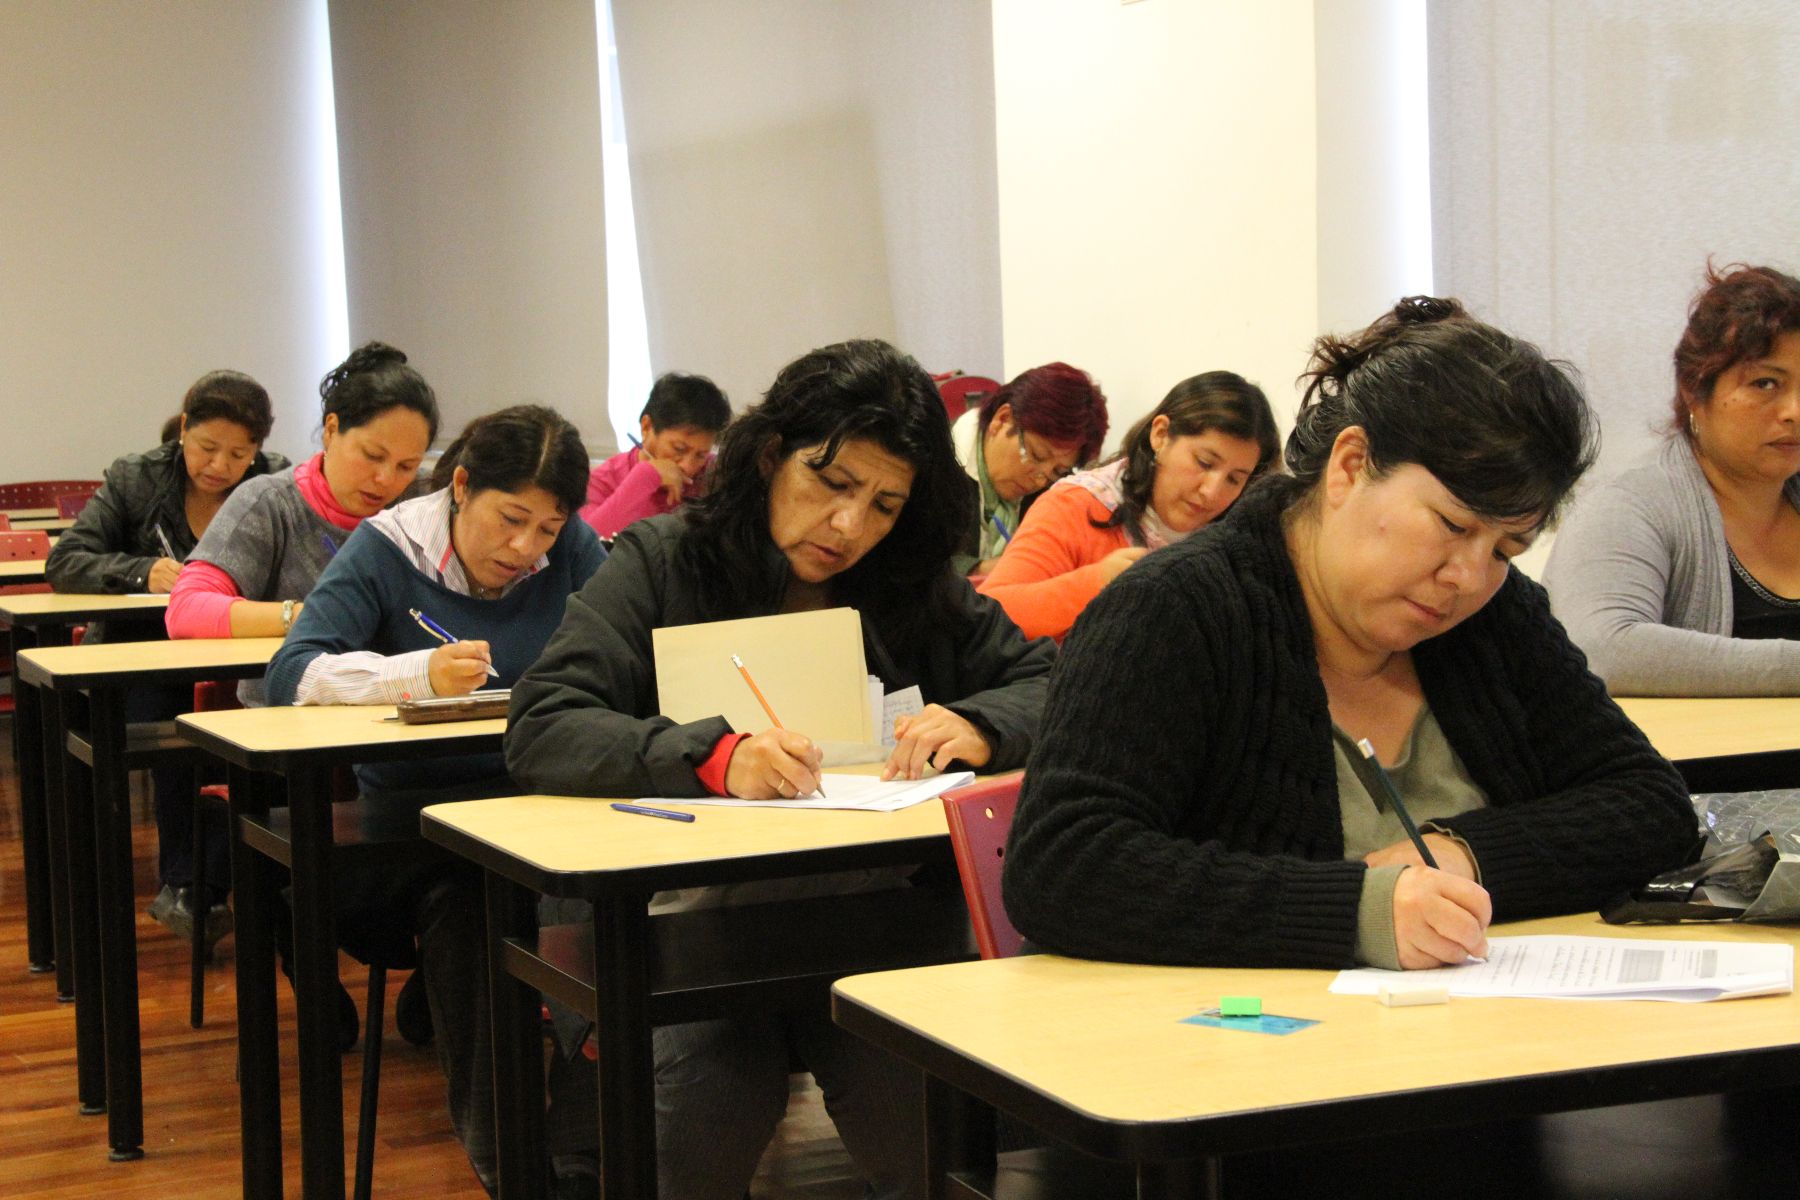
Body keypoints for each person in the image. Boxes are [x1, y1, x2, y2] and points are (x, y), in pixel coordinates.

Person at [1004, 296, 1695, 982]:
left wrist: (1460, 855)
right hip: (1239, 1065)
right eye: (1452, 526)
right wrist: (1354, 911)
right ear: (1349, 465)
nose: (1467, 576)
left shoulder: (1495, 618)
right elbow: (1066, 866)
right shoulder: (1177, 610)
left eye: (1507, 549)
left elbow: (1650, 806)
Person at [507, 339, 1056, 1200]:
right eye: (832, 485)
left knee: (932, 1131)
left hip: (873, 922)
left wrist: (985, 723)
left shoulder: (908, 584)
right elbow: (544, 722)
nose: (850, 527)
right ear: (770, 456)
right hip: (686, 928)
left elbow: (1052, 685)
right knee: (702, 1112)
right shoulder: (662, 560)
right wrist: (711, 755)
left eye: (883, 505)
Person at [267, 404, 604, 1196]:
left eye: (548, 530)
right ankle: (515, 1169)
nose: (526, 550)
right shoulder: (388, 549)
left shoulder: (575, 553)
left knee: (612, 903)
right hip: (425, 821)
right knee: (479, 902)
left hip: (545, 803)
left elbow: (641, 642)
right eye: (510, 519)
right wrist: (411, 673)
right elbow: (294, 672)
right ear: (459, 486)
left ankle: (589, 1156)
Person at [46, 370, 288, 944]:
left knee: (273, 736)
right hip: (148, 651)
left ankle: (220, 882)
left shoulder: (275, 483)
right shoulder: (137, 477)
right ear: (183, 430)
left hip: (240, 651)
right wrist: (138, 570)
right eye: (208, 447)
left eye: (239, 453)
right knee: (176, 727)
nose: (221, 466)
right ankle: (189, 883)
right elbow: (68, 560)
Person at [1544, 263, 1800, 694]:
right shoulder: (1630, 504)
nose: (1794, 411)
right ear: (1693, 389)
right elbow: (1602, 648)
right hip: (1696, 760)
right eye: (1765, 383)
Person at [166, 341, 438, 666]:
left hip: (409, 699)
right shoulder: (271, 504)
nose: (385, 478)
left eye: (406, 466)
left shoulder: (429, 502)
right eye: (372, 456)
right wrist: (305, 615)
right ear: (331, 430)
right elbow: (185, 610)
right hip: (291, 705)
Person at [977, 371, 1278, 641]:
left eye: (1235, 480)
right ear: (1160, 434)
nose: (1211, 492)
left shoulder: (1238, 539)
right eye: (1204, 462)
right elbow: (992, 615)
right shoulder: (1076, 505)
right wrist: (1097, 582)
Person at [950, 362, 1109, 575]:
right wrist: (981, 570)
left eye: (1058, 471)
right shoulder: (934, 464)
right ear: (1002, 419)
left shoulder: (1051, 490)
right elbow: (908, 565)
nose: (1040, 480)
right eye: (1036, 455)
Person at [579, 370, 731, 540]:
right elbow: (586, 544)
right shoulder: (603, 480)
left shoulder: (712, 476)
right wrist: (646, 476)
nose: (688, 466)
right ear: (646, 427)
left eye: (701, 455)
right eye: (679, 449)